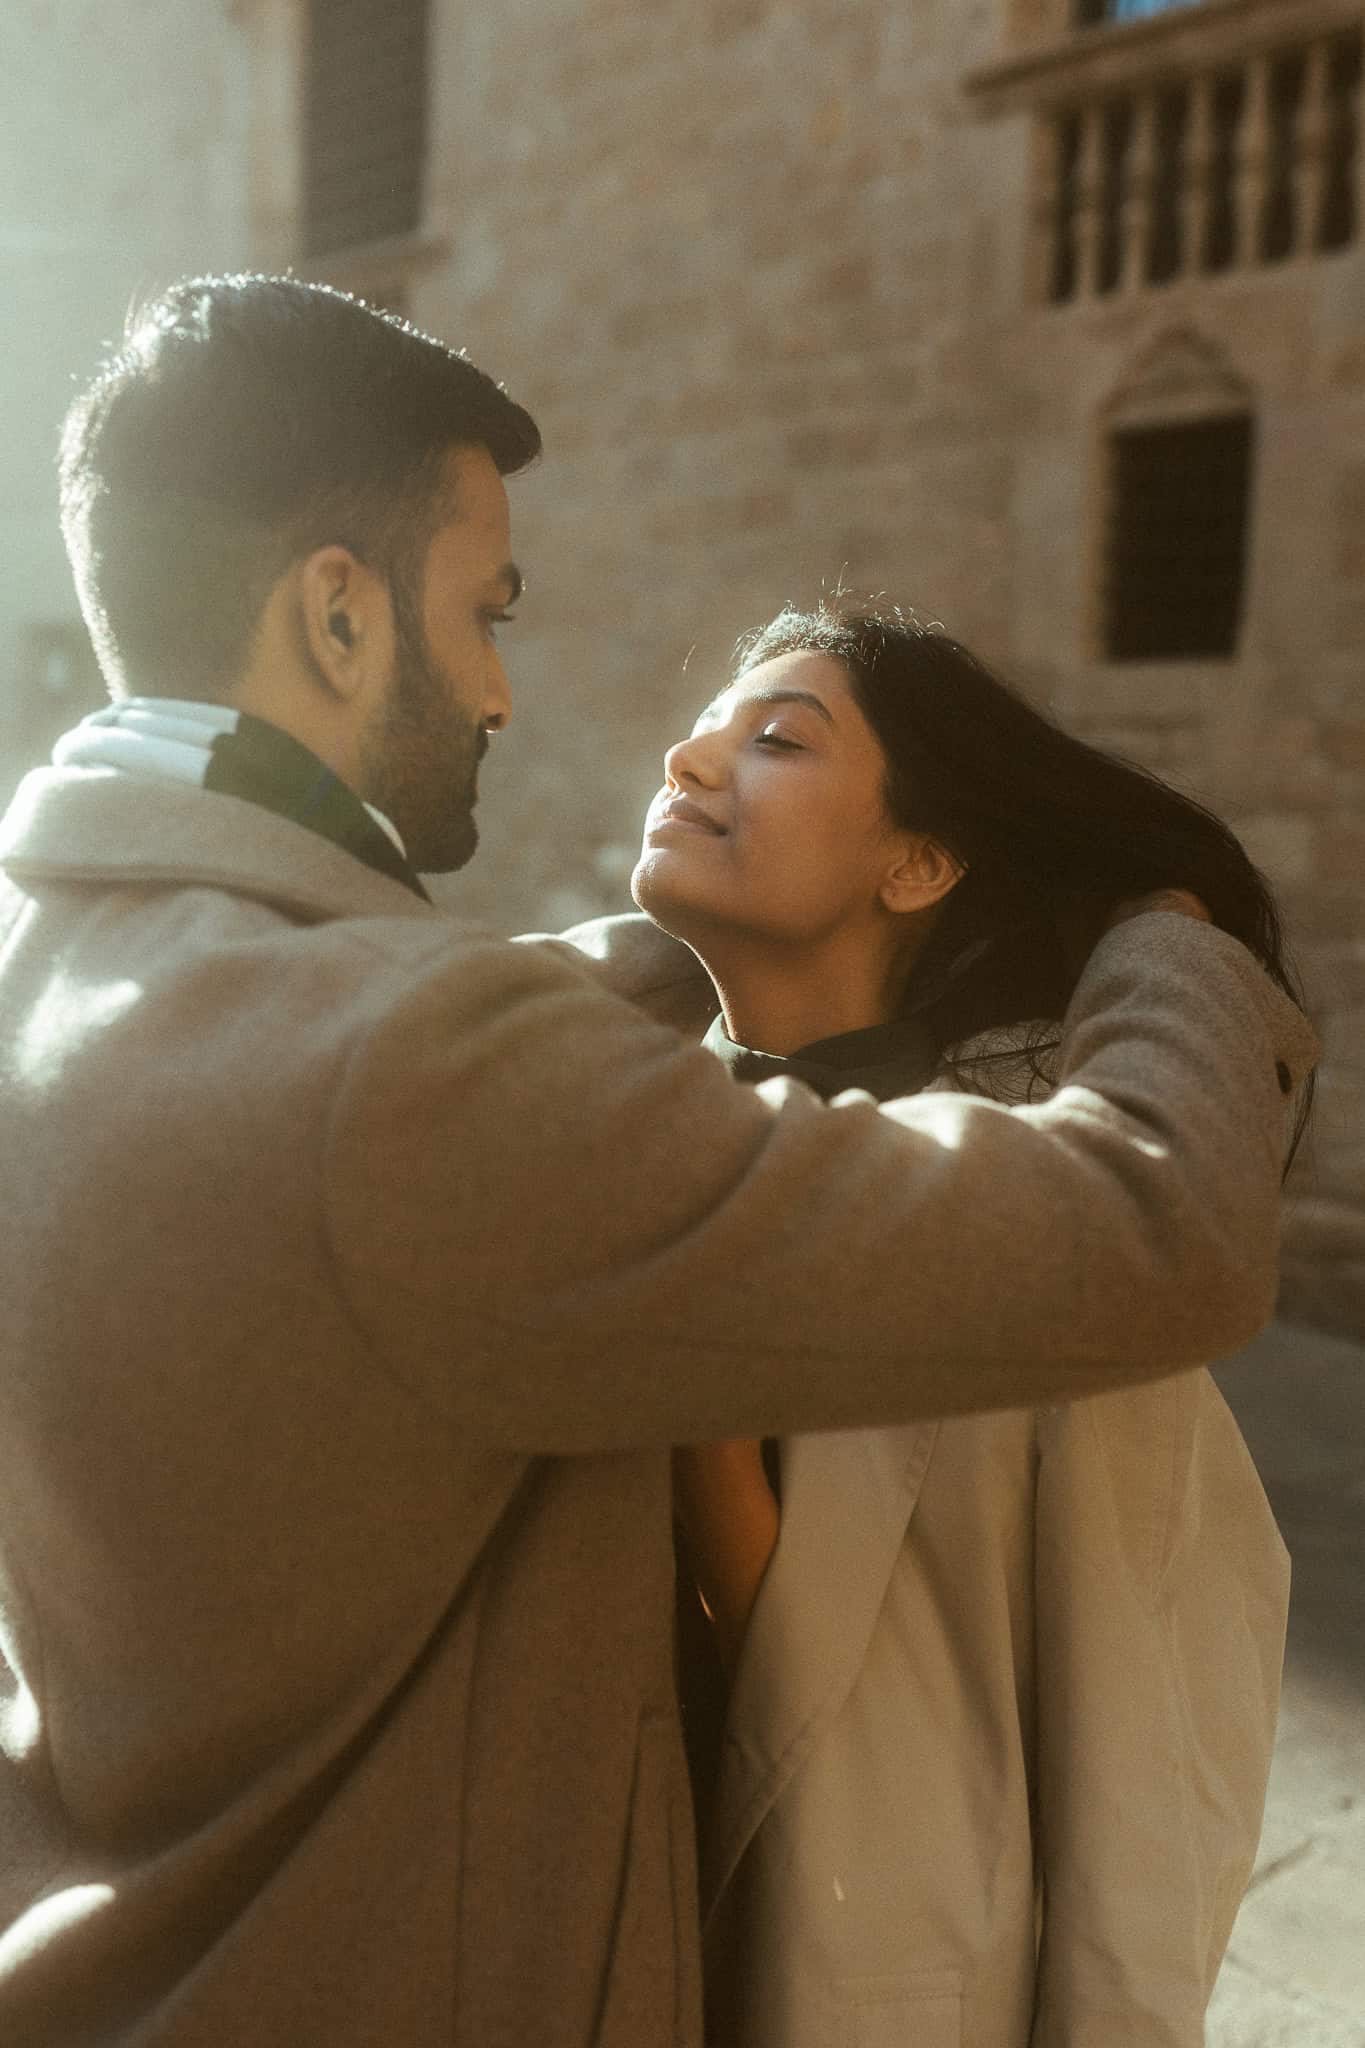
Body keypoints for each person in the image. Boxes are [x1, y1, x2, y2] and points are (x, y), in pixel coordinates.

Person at [0, 276, 1315, 2048]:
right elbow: (1159, 1230)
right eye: (484, 611)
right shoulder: (413, 1069)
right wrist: (1170, 935)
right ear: (334, 615)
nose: (501, 690)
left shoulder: (63, 967)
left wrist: (631, 970)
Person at [637, 606, 1305, 2048]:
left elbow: (1145, 1728)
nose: (688, 758)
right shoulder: (610, 1109)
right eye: (708, 728)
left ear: (918, 862)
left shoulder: (1024, 1222)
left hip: (886, 1959)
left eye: (776, 739)